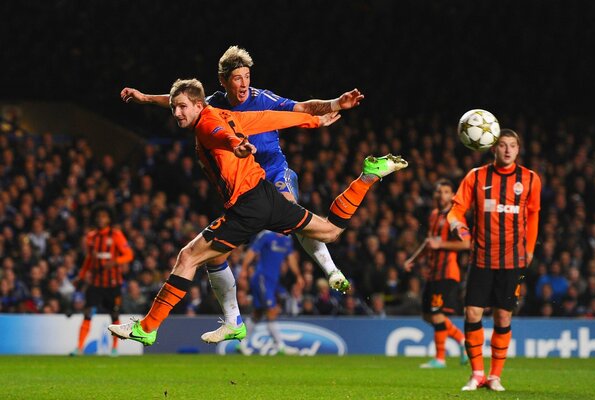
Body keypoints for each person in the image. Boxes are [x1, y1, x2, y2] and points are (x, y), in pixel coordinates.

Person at [108, 78, 407, 346]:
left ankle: (148, 327)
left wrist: (236, 146)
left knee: (188, 257)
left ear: (200, 105)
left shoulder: (207, 124)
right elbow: (267, 119)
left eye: (182, 108)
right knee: (330, 231)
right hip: (266, 195)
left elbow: (222, 136)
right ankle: (369, 175)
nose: (177, 114)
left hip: (247, 207)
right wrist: (313, 121)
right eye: (174, 108)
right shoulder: (227, 114)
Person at [121, 45, 363, 297]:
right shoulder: (212, 104)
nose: (245, 83)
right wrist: (145, 98)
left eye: (247, 76)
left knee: (291, 208)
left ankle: (331, 270)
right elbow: (181, 102)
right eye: (238, 78)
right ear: (223, 81)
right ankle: (231, 319)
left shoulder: (263, 98)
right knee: (216, 255)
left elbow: (302, 108)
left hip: (273, 171)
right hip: (244, 185)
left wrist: (336, 103)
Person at [448, 129, 541, 391]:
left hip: (512, 260)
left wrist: (531, 248)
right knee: (472, 312)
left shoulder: (530, 179)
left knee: (503, 317)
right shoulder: (476, 176)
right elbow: (456, 210)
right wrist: (460, 227)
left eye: (513, 145)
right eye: (503, 145)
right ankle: (477, 373)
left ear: (519, 149)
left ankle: (495, 376)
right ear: (493, 148)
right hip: (481, 257)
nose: (508, 150)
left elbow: (533, 215)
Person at [404, 179, 469, 369]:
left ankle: (440, 359)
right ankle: (461, 339)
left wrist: (442, 244)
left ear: (452, 195)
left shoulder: (455, 217)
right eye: (439, 192)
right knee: (427, 315)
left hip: (447, 273)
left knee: (437, 314)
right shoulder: (433, 215)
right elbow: (429, 242)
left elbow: (466, 243)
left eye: (446, 192)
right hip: (433, 273)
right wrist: (413, 259)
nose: (442, 196)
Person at [71, 203, 134, 355]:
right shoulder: (91, 237)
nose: (101, 219)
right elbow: (89, 259)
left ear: (109, 219)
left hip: (113, 283)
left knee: (114, 315)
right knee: (88, 312)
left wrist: (115, 262)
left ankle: (114, 348)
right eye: (98, 216)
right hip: (96, 283)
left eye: (104, 216)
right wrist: (81, 276)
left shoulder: (116, 235)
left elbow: (129, 254)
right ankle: (79, 348)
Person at [238, 230, 304, 355]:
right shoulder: (266, 235)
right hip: (262, 278)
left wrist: (298, 276)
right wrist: (244, 269)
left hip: (273, 281)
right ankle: (280, 346)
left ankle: (242, 344)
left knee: (258, 313)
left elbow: (291, 259)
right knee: (272, 310)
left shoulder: (287, 239)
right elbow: (252, 251)